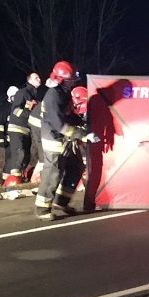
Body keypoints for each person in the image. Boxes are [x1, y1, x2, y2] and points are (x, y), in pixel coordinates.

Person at [34, 60, 99, 220]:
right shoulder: (53, 96)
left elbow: (68, 115)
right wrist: (82, 135)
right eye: (70, 80)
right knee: (53, 173)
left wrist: (83, 123)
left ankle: (60, 201)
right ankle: (42, 209)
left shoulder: (63, 92)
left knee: (75, 167)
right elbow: (59, 124)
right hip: (54, 139)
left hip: (64, 138)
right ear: (62, 80)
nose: (73, 83)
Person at [3, 73, 42, 186]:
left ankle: (19, 178)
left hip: (27, 130)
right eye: (36, 78)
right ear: (29, 80)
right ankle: (13, 182)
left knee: (26, 156)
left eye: (39, 77)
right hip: (17, 128)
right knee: (20, 154)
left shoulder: (34, 95)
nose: (39, 79)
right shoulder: (23, 93)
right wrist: (30, 115)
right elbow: (16, 110)